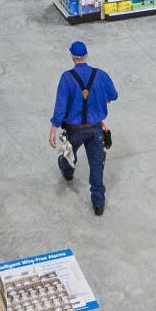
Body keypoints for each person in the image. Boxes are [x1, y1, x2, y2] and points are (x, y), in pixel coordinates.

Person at [49, 41, 118, 216]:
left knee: (68, 154)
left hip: (74, 129)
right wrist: (103, 98)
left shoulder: (67, 78)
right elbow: (113, 95)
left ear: (72, 58)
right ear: (86, 56)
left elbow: (60, 106)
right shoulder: (100, 75)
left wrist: (53, 128)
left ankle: (68, 171)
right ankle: (98, 202)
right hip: (96, 129)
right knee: (97, 164)